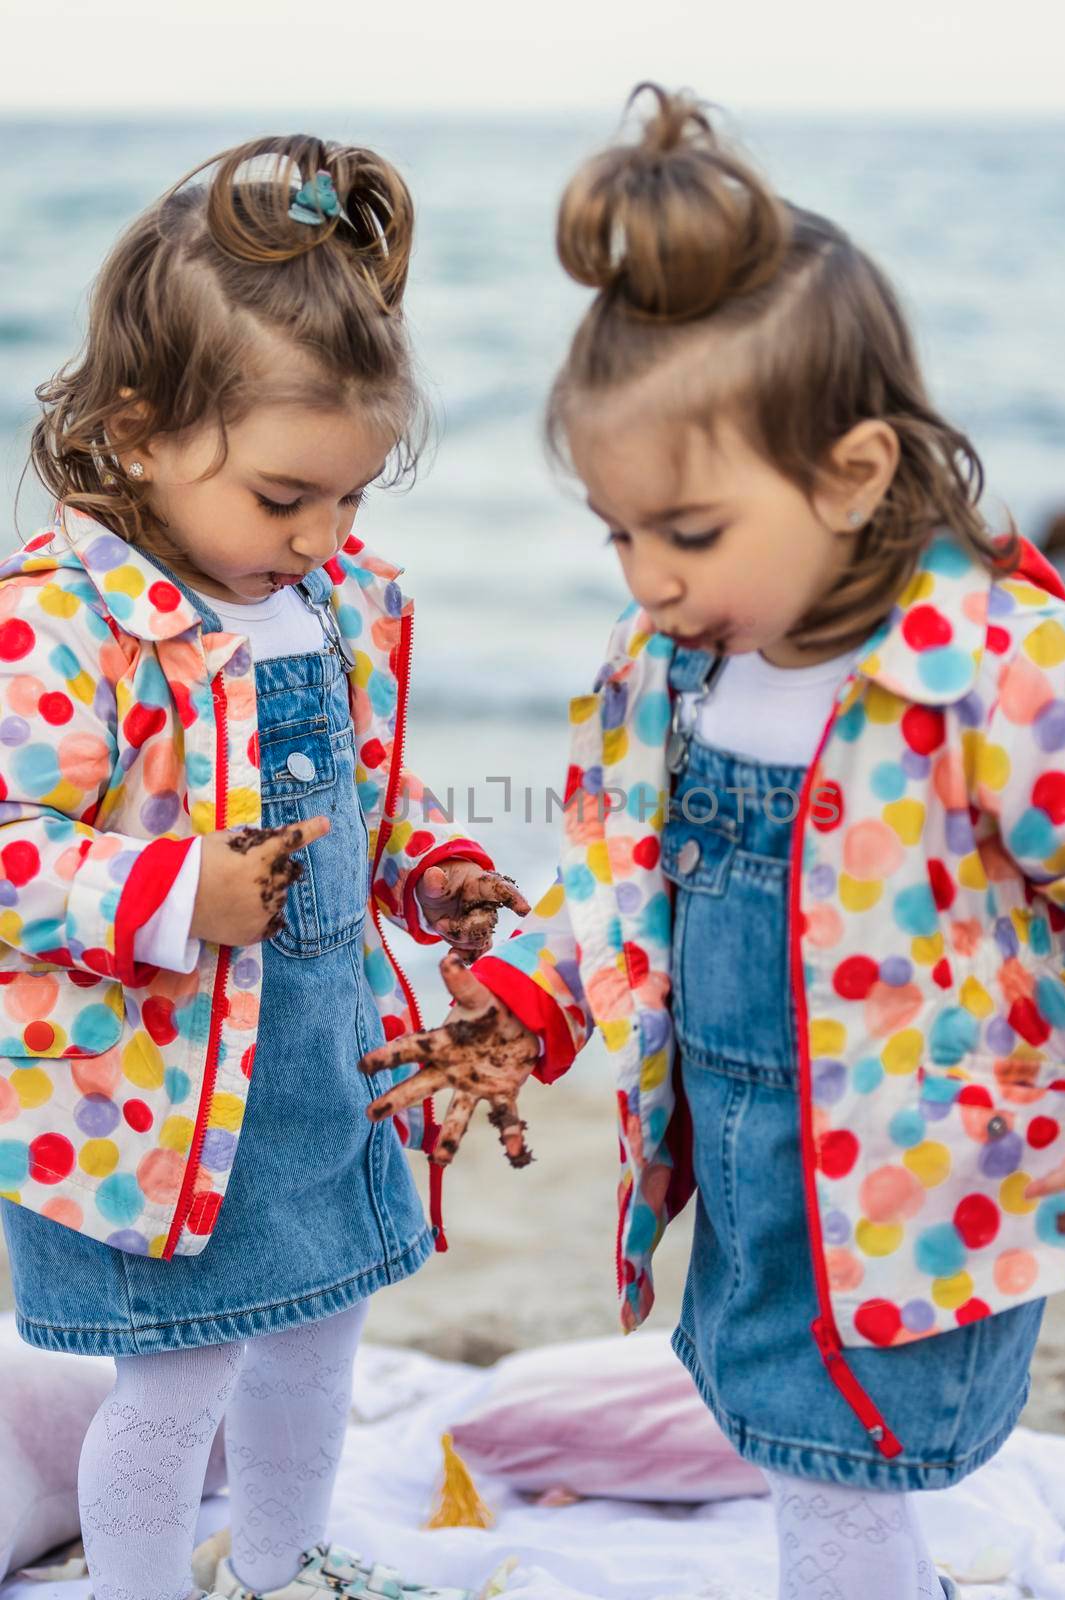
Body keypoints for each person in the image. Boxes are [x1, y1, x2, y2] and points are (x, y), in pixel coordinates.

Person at [360, 87, 1065, 1600]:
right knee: (778, 1438)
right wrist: (531, 999)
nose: (648, 577)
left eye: (686, 533)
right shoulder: (667, 670)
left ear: (852, 472)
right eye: (617, 533)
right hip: (746, 1175)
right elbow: (624, 871)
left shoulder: (998, 667)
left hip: (916, 1180)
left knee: (831, 1468)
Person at [1, 136, 529, 1600]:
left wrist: (432, 876)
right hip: (160, 1098)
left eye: (352, 500)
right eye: (285, 497)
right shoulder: (68, 626)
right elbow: (13, 851)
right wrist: (176, 892)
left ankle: (287, 1564)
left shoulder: (328, 603)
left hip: (319, 1062)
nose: (320, 537)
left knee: (321, 1331)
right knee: (175, 1381)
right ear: (141, 430)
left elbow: (365, 792)